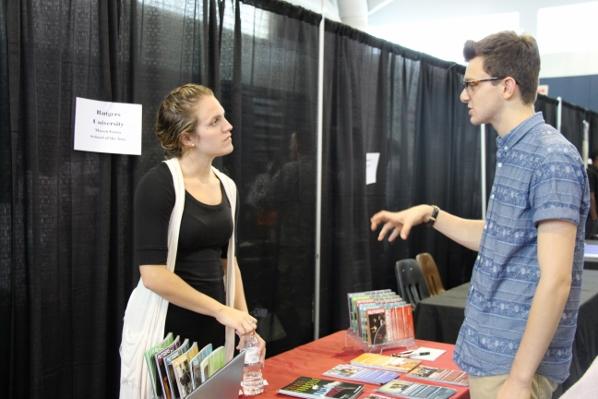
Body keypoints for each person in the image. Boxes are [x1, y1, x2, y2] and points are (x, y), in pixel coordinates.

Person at [371, 32, 588, 399]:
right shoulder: (518, 150)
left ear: (506, 86)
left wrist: (519, 380)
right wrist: (430, 214)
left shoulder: (551, 157)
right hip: (494, 358)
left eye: (471, 84)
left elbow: (556, 280)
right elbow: (500, 238)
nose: (463, 95)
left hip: (512, 367)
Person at [120, 83, 264, 398]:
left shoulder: (228, 186)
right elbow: (153, 275)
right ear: (187, 138)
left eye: (223, 117)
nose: (229, 126)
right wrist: (221, 311)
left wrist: (244, 323)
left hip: (213, 327)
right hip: (168, 333)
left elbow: (230, 262)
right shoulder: (158, 185)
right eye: (214, 122)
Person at [586, 152, 598, 238]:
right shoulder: (590, 173)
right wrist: (594, 218)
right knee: (592, 240)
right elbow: (591, 196)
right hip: (592, 218)